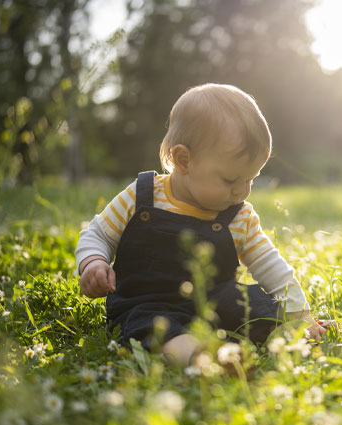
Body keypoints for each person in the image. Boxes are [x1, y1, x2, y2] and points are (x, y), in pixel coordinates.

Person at [76, 83, 326, 367]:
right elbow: (98, 234)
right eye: (231, 180)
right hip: (148, 305)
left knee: (251, 302)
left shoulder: (238, 216)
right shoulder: (142, 196)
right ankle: (202, 357)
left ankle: (295, 333)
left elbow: (271, 264)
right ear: (184, 160)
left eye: (251, 179)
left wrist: (299, 313)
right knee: (155, 331)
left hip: (215, 303)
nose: (243, 191)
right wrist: (93, 262)